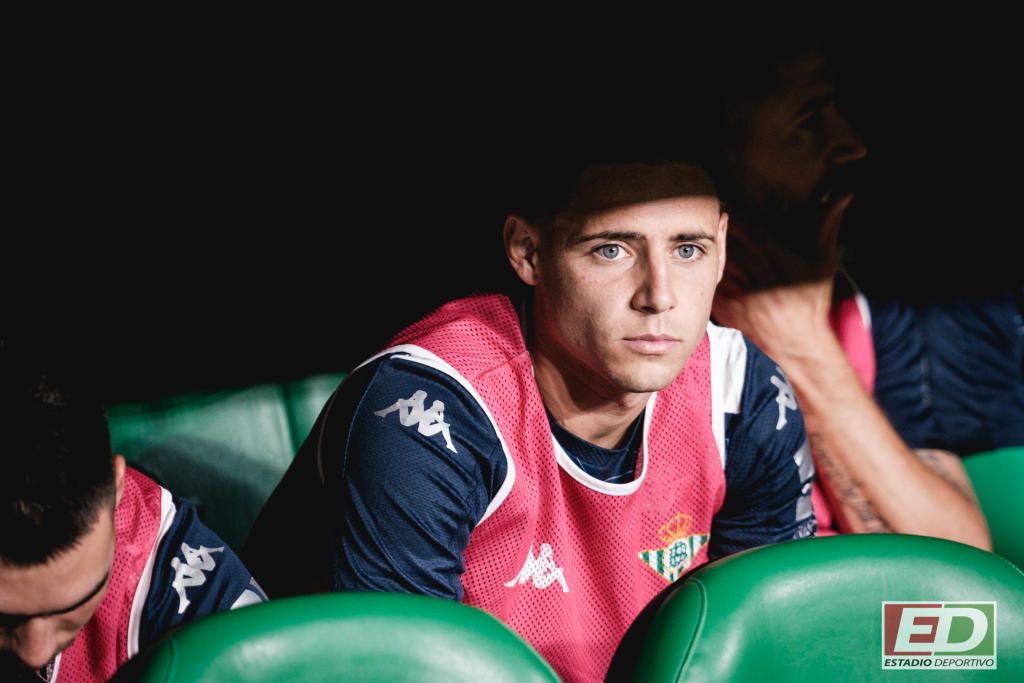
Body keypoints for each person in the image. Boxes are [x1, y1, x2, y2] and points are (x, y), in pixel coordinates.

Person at [245, 157, 816, 683]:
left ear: (722, 244)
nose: (658, 296)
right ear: (528, 252)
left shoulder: (741, 393)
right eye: (612, 250)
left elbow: (773, 654)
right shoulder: (428, 409)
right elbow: (399, 675)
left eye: (687, 249)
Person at [700, 33, 992, 547]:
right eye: (809, 118)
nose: (851, 144)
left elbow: (961, 561)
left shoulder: (863, 308)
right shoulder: (649, 325)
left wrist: (802, 344)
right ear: (716, 150)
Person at [0, 353, 267, 682]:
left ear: (116, 488)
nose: (35, 652)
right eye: (5, 617)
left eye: (70, 606)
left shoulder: (208, 616)